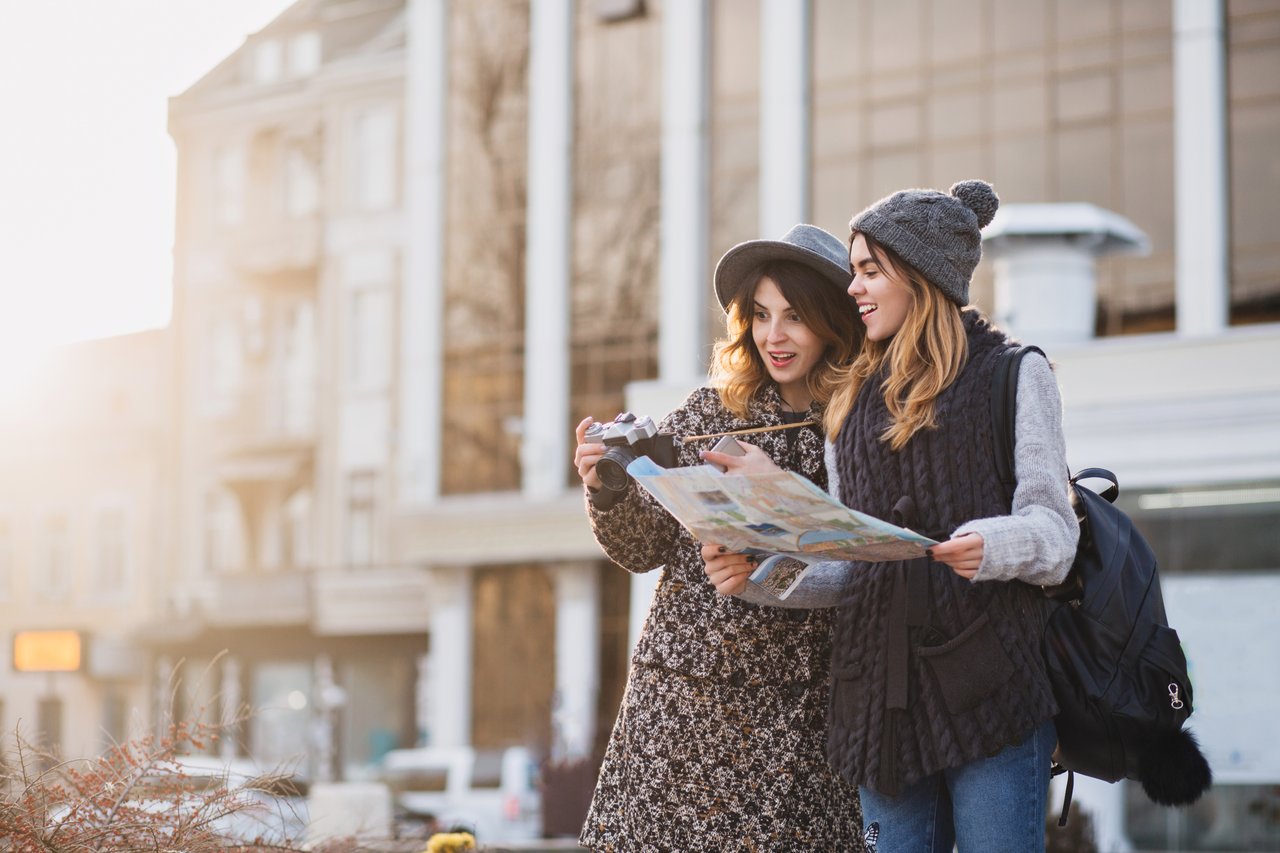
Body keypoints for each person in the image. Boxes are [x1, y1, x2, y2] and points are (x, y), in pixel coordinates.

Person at [702, 181, 1081, 853]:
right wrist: (761, 574)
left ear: (921, 275)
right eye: (855, 271)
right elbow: (858, 565)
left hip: (991, 696)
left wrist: (989, 544)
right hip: (879, 707)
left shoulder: (1016, 375)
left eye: (870, 270)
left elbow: (1056, 535)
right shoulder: (849, 403)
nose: (853, 288)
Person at [574, 224, 865, 852]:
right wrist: (607, 487)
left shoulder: (856, 422)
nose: (774, 336)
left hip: (797, 710)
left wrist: (774, 540)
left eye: (795, 316)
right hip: (680, 694)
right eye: (760, 315)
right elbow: (642, 549)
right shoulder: (710, 411)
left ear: (835, 321)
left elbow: (862, 554)